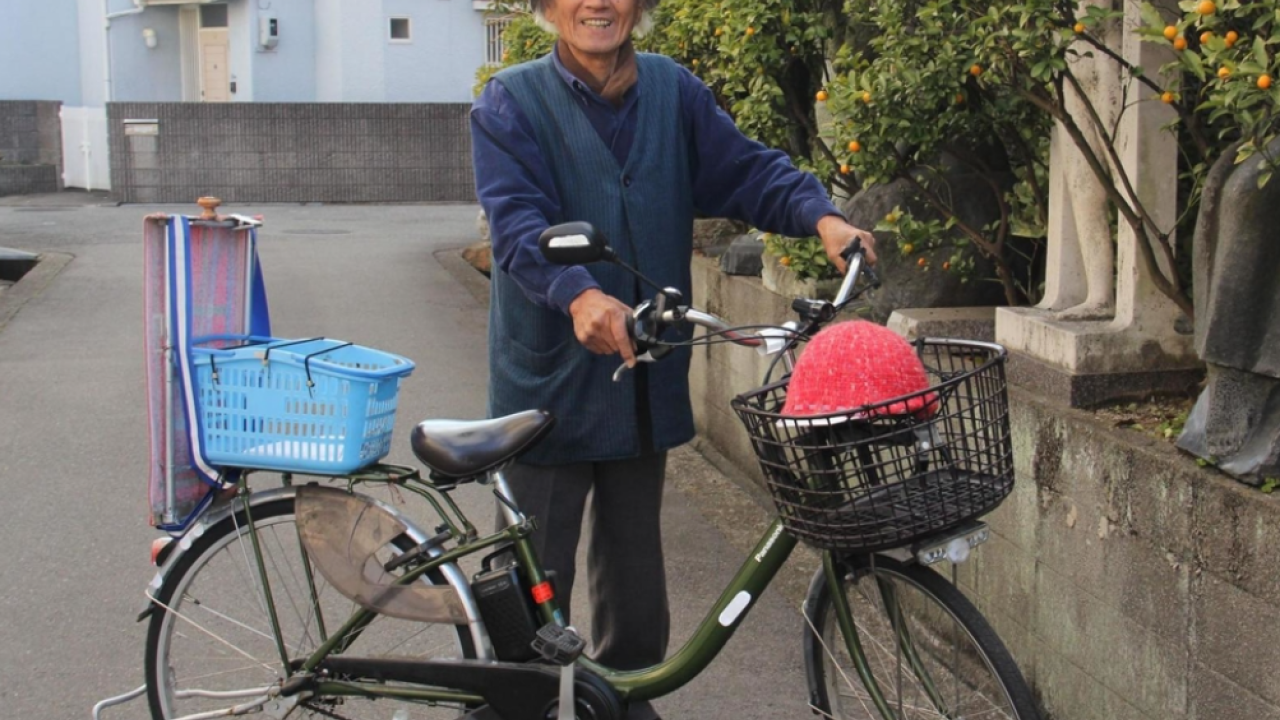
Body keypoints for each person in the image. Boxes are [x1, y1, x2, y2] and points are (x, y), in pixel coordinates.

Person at [469, 0, 876, 713]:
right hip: (549, 388)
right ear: (545, 7)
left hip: (641, 377)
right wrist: (578, 294)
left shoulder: (673, 90)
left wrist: (822, 216)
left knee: (635, 579)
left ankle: (623, 701)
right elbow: (517, 225)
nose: (598, 4)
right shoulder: (510, 103)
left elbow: (745, 170)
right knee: (534, 587)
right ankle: (512, 705)